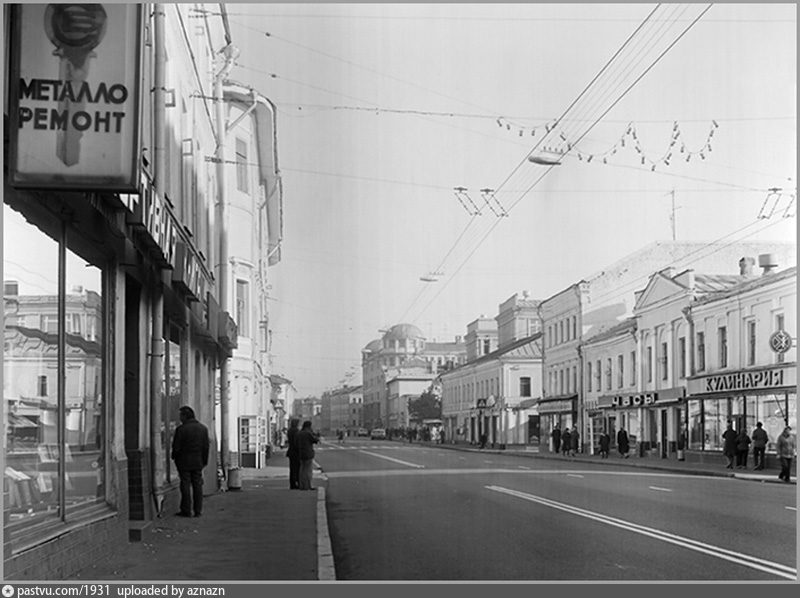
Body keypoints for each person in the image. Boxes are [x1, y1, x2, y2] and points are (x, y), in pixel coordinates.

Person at [171, 406, 210, 518]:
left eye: (181, 416)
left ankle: (186, 510)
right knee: (197, 486)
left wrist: (175, 458)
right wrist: (204, 461)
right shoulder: (203, 429)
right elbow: (206, 447)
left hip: (184, 462)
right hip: (198, 461)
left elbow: (176, 447)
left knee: (185, 485)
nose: (180, 418)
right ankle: (198, 510)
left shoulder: (181, 430)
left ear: (185, 416)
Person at [296, 420, 320, 490]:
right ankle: (308, 486)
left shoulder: (299, 433)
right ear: (309, 426)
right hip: (308, 454)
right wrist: (313, 433)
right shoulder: (308, 433)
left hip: (301, 453)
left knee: (302, 470)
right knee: (308, 471)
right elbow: (315, 440)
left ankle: (302, 485)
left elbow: (296, 443)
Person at [286, 418, 301, 489]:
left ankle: (292, 484)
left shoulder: (290, 430)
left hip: (291, 451)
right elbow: (297, 442)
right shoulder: (296, 431)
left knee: (292, 469)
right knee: (297, 468)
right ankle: (296, 483)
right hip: (296, 452)